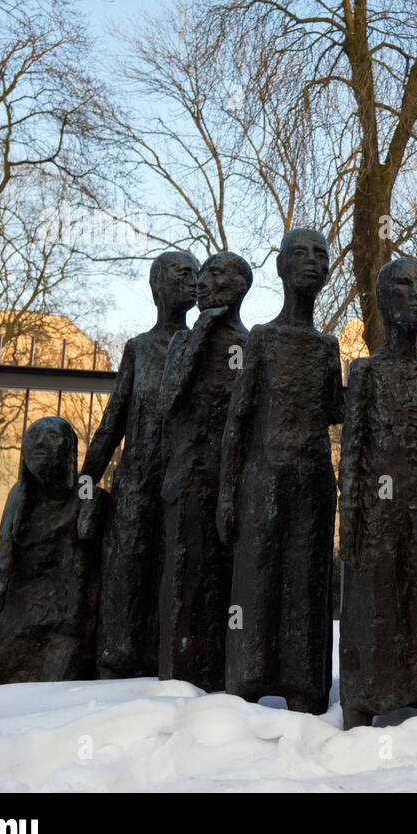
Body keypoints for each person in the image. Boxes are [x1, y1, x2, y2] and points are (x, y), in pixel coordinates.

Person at [220, 229, 344, 714]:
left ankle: (304, 681)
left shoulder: (328, 345)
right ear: (281, 266)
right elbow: (238, 419)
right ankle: (249, 675)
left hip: (313, 481)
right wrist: (228, 493)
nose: (312, 262)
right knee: (258, 579)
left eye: (321, 255)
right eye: (301, 253)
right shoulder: (262, 339)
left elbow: (337, 411)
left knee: (308, 582)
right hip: (264, 477)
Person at [339, 257, 417, 728]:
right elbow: (353, 450)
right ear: (385, 299)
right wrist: (351, 515)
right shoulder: (365, 371)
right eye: (406, 285)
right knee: (377, 596)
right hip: (377, 505)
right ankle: (366, 691)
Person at [83, 250, 198, 679]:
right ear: (158, 286)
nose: (192, 280)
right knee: (127, 567)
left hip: (183, 483)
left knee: (177, 569)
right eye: (182, 273)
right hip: (136, 482)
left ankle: (172, 657)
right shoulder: (139, 349)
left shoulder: (201, 347)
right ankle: (117, 657)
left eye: (195, 273)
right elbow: (111, 422)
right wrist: (84, 484)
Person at [158, 251, 252, 693]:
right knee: (183, 577)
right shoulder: (183, 341)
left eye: (212, 274)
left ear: (237, 286)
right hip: (189, 474)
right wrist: (199, 335)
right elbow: (169, 401)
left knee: (223, 580)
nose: (201, 282)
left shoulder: (249, 346)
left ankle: (219, 673)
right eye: (200, 274)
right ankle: (178, 677)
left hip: (232, 479)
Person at [0, 417, 99, 689]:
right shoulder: (17, 498)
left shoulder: (88, 498)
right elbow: (0, 574)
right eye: (32, 436)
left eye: (51, 435)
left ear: (70, 449)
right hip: (17, 620)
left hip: (65, 627)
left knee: (46, 699)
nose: (40, 442)